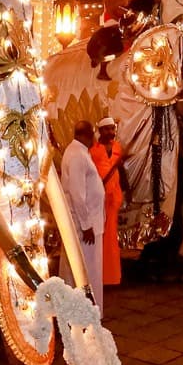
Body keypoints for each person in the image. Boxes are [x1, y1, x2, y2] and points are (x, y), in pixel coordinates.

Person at [60, 121, 107, 311]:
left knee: (83, 268)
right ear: (88, 134)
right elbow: (77, 194)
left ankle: (80, 311)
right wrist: (86, 225)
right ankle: (85, 312)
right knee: (87, 269)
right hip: (85, 226)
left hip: (88, 222)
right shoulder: (77, 155)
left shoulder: (78, 152)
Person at [91, 116, 125, 289]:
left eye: (113, 128)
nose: (111, 132)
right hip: (99, 199)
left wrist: (127, 190)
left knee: (111, 238)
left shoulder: (118, 147)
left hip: (114, 198)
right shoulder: (93, 151)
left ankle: (111, 276)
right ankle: (98, 275)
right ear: (100, 131)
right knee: (101, 237)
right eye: (107, 129)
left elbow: (121, 170)